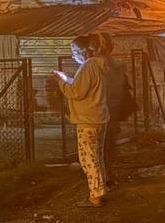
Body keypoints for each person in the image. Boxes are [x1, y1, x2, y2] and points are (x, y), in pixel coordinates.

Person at [54, 35, 110, 208]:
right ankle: (100, 188)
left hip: (88, 120)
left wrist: (61, 81)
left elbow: (76, 93)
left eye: (75, 51)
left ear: (85, 50)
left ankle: (95, 195)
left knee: (88, 158)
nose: (73, 56)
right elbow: (84, 89)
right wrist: (69, 80)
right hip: (99, 117)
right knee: (97, 156)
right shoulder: (97, 66)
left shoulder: (88, 66)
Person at [90, 32, 126, 187]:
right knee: (109, 145)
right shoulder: (114, 64)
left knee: (99, 146)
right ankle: (107, 175)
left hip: (101, 111)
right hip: (112, 110)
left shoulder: (96, 64)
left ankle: (101, 180)